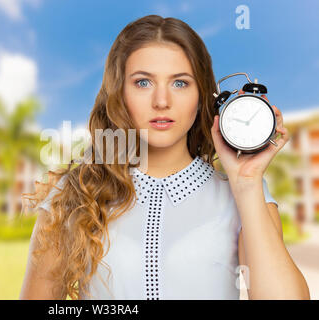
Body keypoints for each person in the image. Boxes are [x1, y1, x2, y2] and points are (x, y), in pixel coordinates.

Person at [19, 15, 309, 300]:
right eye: (143, 82)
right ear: (119, 93)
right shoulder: (73, 194)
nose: (161, 101)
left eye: (180, 83)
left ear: (201, 96)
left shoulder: (245, 196)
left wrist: (246, 184)